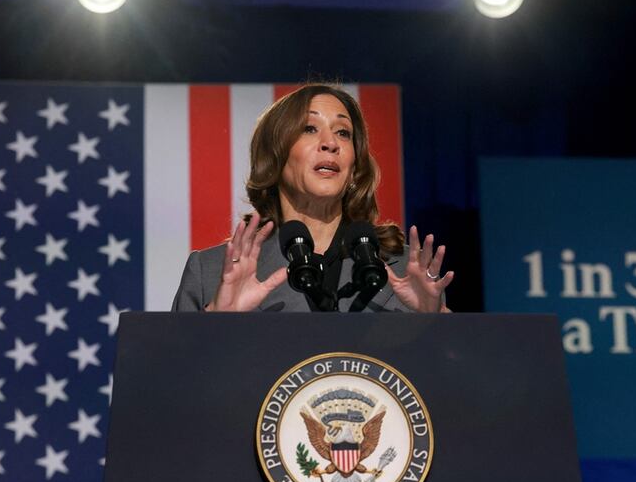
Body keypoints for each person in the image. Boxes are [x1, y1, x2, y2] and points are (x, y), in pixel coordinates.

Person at [171, 83, 453, 313]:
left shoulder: (404, 270)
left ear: (354, 166)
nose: (331, 143)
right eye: (309, 128)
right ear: (275, 156)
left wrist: (435, 321)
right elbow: (167, 379)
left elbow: (451, 376)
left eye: (343, 133)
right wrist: (217, 322)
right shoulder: (210, 272)